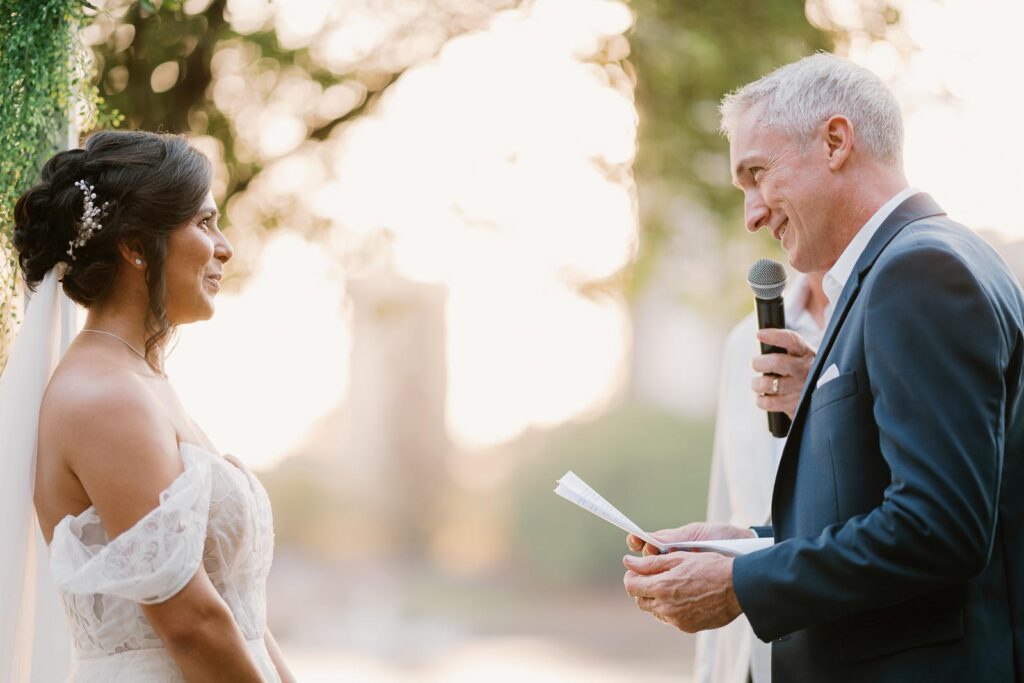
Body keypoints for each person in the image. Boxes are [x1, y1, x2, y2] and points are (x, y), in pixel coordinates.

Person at [622, 53, 1024, 682]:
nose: (753, 212)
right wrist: (743, 545)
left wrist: (740, 583)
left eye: (758, 174)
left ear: (836, 141)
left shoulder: (919, 273)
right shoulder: (910, 267)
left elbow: (938, 528)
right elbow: (880, 504)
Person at [0, 130, 295, 682]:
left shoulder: (143, 382)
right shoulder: (104, 397)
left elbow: (237, 611)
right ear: (136, 247)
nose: (225, 246)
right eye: (205, 223)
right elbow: (190, 621)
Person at [696, 272, 826, 683]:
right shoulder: (741, 344)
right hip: (751, 655)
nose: (756, 215)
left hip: (838, 642)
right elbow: (726, 498)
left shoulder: (872, 323)